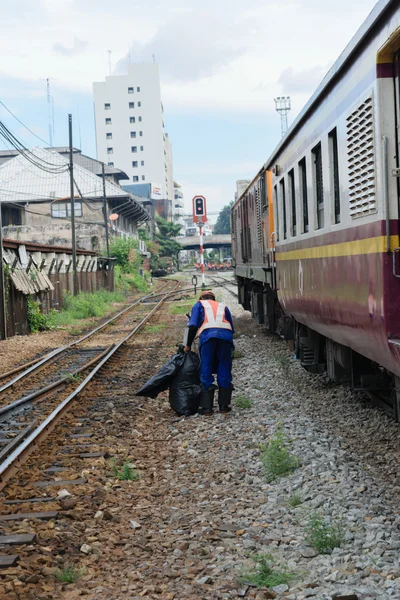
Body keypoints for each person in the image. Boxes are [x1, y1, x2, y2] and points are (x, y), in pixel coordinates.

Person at [184, 290, 234, 415]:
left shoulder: (199, 305)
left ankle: (207, 408)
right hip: (226, 338)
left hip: (208, 338)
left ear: (201, 298)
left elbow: (193, 326)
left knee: (206, 366)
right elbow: (231, 328)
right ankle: (224, 406)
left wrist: (188, 345)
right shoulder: (223, 306)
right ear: (213, 298)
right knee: (224, 366)